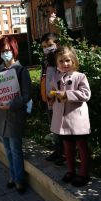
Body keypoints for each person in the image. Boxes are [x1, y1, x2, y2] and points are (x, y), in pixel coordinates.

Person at [0, 36, 31, 194]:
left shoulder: (21, 71)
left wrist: (11, 105)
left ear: (14, 50)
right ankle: (13, 176)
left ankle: (19, 180)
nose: (5, 53)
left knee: (16, 149)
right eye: (2, 50)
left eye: (7, 50)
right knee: (7, 149)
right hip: (1, 116)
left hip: (14, 116)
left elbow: (26, 96)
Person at [50, 46, 91, 187]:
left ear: (73, 61)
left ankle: (84, 174)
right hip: (64, 120)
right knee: (67, 146)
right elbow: (54, 92)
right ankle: (71, 170)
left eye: (67, 60)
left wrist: (67, 94)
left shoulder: (80, 76)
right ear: (57, 63)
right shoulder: (56, 77)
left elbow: (86, 94)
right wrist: (52, 97)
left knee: (81, 146)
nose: (65, 64)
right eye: (61, 61)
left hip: (77, 120)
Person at [40, 33, 65, 166]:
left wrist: (53, 95)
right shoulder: (46, 61)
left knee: (61, 128)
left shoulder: (61, 61)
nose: (47, 48)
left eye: (50, 45)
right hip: (48, 100)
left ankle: (63, 154)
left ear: (57, 44)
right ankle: (57, 151)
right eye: (44, 46)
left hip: (57, 100)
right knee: (54, 128)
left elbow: (61, 80)